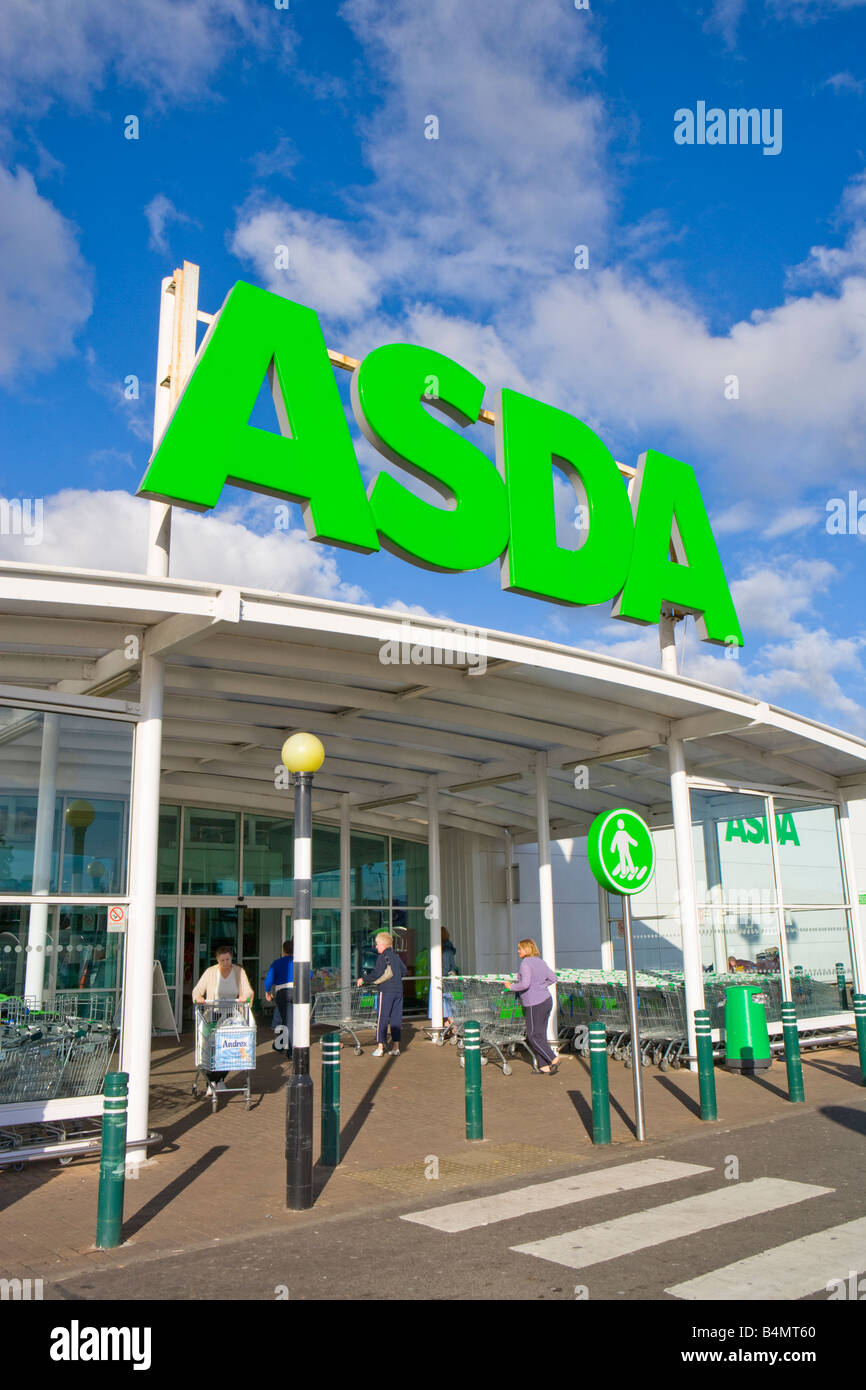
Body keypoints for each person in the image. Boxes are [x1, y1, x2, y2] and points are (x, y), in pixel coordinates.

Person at [192, 942, 255, 1090]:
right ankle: (213, 1079)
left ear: (231, 958)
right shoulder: (210, 972)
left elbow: (247, 990)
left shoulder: (239, 972)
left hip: (231, 1015)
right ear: (217, 960)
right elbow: (198, 990)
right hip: (213, 1014)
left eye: (228, 960)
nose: (225, 963)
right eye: (222, 960)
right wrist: (199, 998)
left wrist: (244, 997)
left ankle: (219, 1079)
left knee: (228, 1046)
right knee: (212, 1047)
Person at [503, 938, 559, 1074]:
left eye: (520, 948)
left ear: (526, 949)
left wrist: (511, 987)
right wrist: (540, 986)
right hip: (546, 1000)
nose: (518, 951)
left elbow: (525, 984)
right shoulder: (541, 962)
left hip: (534, 1003)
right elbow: (553, 978)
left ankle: (552, 1058)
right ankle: (543, 1066)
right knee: (540, 1034)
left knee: (533, 1035)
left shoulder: (525, 964)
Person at [357, 931, 407, 1057]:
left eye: (377, 944)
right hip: (398, 990)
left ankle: (380, 1047)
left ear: (383, 944)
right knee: (396, 1019)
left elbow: (376, 973)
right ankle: (396, 1047)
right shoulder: (396, 956)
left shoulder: (382, 957)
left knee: (382, 1018)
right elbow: (404, 971)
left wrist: (363, 979)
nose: (376, 946)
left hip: (386, 991)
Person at [264, 939, 294, 1052]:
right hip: (298, 993)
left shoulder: (277, 963)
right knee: (290, 1020)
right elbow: (309, 975)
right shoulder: (299, 961)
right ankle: (280, 1044)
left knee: (286, 1019)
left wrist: (267, 991)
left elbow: (269, 980)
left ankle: (289, 1049)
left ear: (284, 951)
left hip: (283, 993)